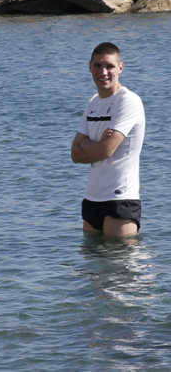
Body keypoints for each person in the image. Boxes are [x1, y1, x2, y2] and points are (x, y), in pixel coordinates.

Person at [71, 42, 146, 237]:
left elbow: (106, 151)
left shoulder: (128, 101)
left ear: (120, 68)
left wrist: (87, 144)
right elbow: (74, 154)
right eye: (97, 65)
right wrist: (93, 146)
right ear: (90, 67)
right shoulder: (93, 102)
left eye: (109, 66)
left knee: (118, 264)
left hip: (120, 199)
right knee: (91, 267)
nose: (103, 72)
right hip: (92, 199)